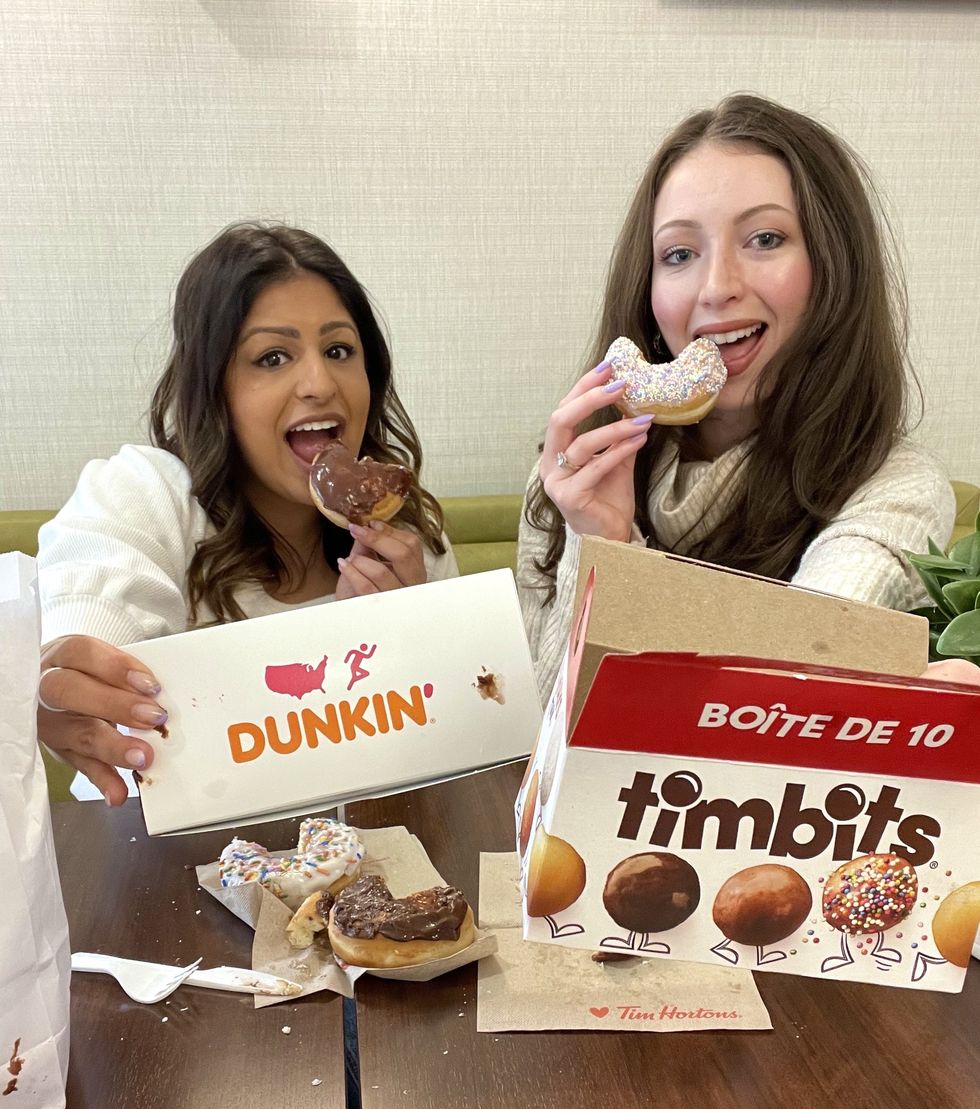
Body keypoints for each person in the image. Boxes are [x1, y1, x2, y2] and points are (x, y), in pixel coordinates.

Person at [517, 94, 963, 703]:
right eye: (678, 254)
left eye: (764, 238)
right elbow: (541, 732)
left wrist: (627, 566)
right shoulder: (574, 471)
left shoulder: (893, 490)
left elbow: (783, 699)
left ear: (835, 267)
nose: (717, 286)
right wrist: (599, 541)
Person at [37, 222, 457, 804]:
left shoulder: (408, 542)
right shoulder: (149, 492)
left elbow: (460, 750)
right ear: (215, 390)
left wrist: (409, 641)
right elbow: (96, 596)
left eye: (339, 350)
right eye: (272, 357)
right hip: (156, 859)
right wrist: (67, 673)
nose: (319, 382)